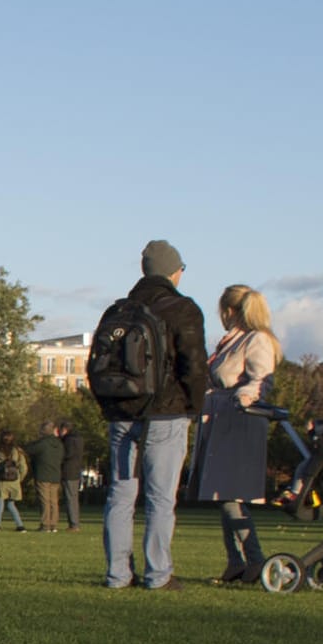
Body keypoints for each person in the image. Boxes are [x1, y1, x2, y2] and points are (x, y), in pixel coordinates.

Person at [97, 240, 207, 591]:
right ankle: (158, 574)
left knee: (121, 493)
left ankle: (117, 574)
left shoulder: (117, 310)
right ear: (174, 271)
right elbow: (194, 364)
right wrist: (195, 407)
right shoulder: (183, 308)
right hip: (166, 412)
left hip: (122, 412)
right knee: (160, 497)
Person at [188, 284, 282, 584]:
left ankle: (253, 559)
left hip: (236, 423)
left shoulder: (257, 341)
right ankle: (236, 561)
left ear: (229, 311)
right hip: (219, 421)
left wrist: (243, 396)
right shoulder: (232, 342)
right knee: (224, 495)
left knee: (230, 496)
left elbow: (261, 380)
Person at [0, 430, 29, 532]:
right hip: (14, 481)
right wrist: (20, 479)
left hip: (1, 481)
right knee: (11, 504)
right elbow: (24, 467)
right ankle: (20, 525)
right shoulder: (17, 452)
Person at [26, 422, 63, 533]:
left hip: (43, 475)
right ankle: (53, 524)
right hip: (56, 475)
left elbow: (29, 450)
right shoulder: (59, 444)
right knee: (54, 501)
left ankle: (45, 524)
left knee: (44, 501)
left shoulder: (42, 443)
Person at [59, 422, 85, 532]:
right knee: (74, 498)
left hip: (68, 471)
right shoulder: (79, 439)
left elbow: (67, 454)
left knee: (70, 498)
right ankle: (75, 522)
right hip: (76, 471)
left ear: (64, 430)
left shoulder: (68, 440)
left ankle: (73, 524)